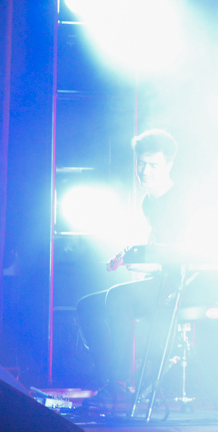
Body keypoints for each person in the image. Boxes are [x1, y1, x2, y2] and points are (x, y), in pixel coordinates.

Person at [76, 129, 186, 412]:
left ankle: (122, 384)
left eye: (153, 165)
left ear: (169, 166)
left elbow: (182, 252)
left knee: (118, 297)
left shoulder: (182, 200)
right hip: (162, 279)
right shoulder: (149, 202)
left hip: (183, 283)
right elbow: (158, 246)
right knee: (87, 306)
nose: (145, 171)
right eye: (141, 163)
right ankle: (111, 380)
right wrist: (133, 257)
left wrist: (145, 261)